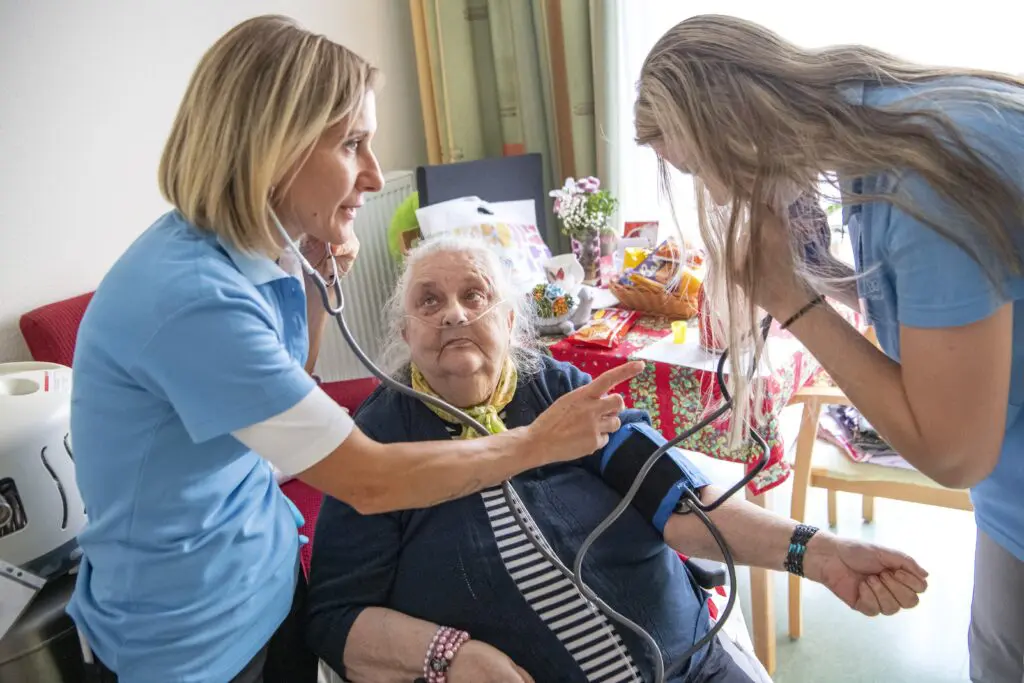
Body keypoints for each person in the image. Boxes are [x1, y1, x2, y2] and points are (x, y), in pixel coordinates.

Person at [67, 15, 641, 683]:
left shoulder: (256, 252)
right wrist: (537, 443)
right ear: (271, 147)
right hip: (188, 642)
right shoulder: (194, 298)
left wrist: (318, 278)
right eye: (353, 144)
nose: (372, 175)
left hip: (265, 582)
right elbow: (370, 481)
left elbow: (287, 383)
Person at [304, 237, 929, 683]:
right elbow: (335, 616)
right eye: (429, 302)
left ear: (514, 320)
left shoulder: (556, 388)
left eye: (475, 295)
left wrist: (815, 552)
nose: (455, 314)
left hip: (693, 665)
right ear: (406, 332)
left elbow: (679, 504)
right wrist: (450, 655)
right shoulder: (375, 444)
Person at [633, 14, 1024, 683]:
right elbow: (925, 305)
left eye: (700, 168)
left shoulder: (917, 180)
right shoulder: (886, 128)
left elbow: (954, 452)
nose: (716, 195)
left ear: (731, 131)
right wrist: (811, 268)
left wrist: (793, 301)